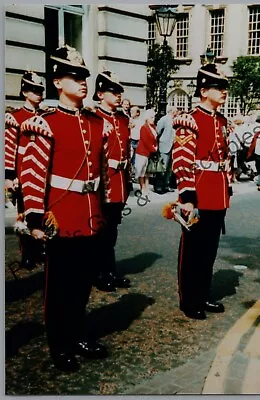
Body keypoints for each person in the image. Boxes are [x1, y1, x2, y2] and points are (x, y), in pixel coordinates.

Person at [20, 45, 109, 372]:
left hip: (90, 215)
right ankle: (60, 344)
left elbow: (101, 171)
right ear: (58, 82)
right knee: (60, 287)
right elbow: (32, 173)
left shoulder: (97, 123)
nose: (83, 82)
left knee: (83, 283)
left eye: (84, 76)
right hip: (61, 215)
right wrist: (33, 216)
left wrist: (105, 211)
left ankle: (78, 335)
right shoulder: (44, 122)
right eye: (75, 77)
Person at [172, 62, 233, 320]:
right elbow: (182, 158)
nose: (224, 92)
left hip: (217, 192)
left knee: (209, 250)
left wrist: (227, 187)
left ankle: (203, 293)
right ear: (203, 90)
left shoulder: (221, 120)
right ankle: (189, 298)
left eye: (224, 87)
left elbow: (225, 158)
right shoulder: (190, 120)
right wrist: (187, 196)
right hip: (198, 192)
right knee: (193, 250)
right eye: (218, 87)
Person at [93, 70, 132, 292]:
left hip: (119, 181)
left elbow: (125, 151)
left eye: (119, 92)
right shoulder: (94, 119)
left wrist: (128, 181)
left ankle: (108, 270)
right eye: (112, 91)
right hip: (103, 182)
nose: (118, 95)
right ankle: (99, 272)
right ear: (100, 94)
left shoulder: (122, 119)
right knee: (102, 231)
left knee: (112, 230)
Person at [5, 71, 46, 270]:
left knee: (42, 210)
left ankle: (40, 248)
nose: (38, 94)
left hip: (43, 172)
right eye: (34, 90)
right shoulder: (15, 117)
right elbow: (9, 148)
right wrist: (9, 176)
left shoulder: (46, 116)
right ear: (24, 92)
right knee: (25, 212)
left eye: (40, 90)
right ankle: (27, 253)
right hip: (23, 171)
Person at [134, 108, 158, 196]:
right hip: (142, 152)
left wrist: (156, 147)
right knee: (141, 171)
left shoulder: (154, 127)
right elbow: (145, 141)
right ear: (147, 118)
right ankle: (142, 187)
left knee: (147, 172)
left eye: (154, 117)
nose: (153, 119)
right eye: (151, 117)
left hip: (150, 152)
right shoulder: (144, 128)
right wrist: (154, 149)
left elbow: (155, 139)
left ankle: (146, 187)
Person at [155, 105, 179, 194]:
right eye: (176, 111)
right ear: (172, 111)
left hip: (173, 146)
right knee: (162, 167)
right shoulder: (164, 119)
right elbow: (158, 131)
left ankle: (167, 184)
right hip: (164, 146)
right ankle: (159, 186)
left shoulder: (175, 120)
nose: (177, 113)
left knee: (169, 168)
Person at [247, 115, 260, 191]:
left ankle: (259, 184)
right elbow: (253, 143)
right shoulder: (257, 134)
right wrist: (250, 153)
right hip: (257, 154)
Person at [129, 106, 142, 173]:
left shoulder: (141, 121)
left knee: (136, 157)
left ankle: (135, 172)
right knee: (130, 156)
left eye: (133, 111)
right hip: (131, 140)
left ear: (137, 113)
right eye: (131, 111)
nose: (131, 113)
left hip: (138, 140)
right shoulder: (130, 120)